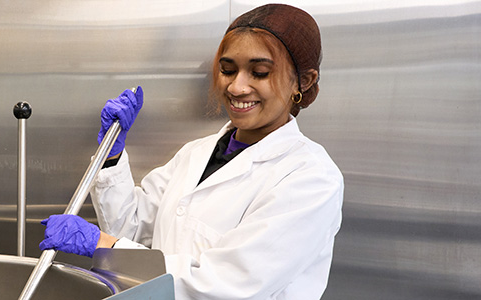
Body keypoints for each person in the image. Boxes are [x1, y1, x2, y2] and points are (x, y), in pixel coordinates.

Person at [38, 4, 343, 300]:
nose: (237, 87)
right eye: (227, 69)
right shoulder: (196, 153)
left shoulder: (311, 178)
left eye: (259, 72)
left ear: (303, 81)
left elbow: (229, 284)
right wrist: (112, 156)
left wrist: (104, 245)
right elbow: (131, 228)